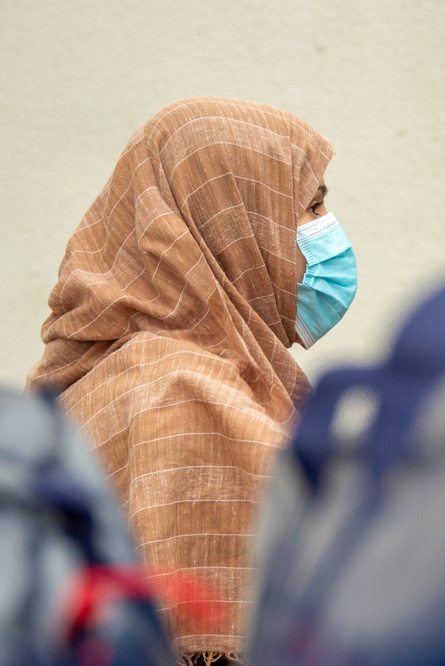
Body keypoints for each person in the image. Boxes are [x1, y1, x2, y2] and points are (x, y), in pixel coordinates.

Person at [26, 97, 357, 664]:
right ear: (233, 220)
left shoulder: (117, 375)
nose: (327, 230)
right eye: (310, 205)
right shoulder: (182, 393)